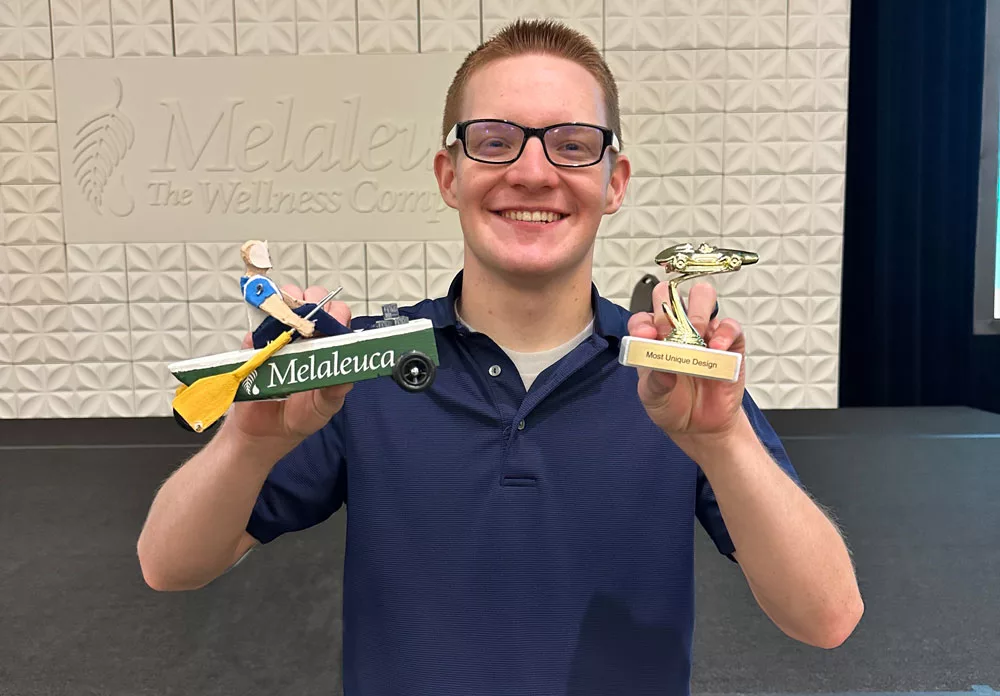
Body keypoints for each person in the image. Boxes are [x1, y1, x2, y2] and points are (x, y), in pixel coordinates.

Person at [137, 19, 864, 696]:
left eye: (573, 143)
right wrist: (247, 441)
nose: (533, 171)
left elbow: (826, 617)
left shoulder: (672, 380)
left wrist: (722, 441)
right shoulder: (368, 370)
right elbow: (168, 565)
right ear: (448, 174)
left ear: (615, 182)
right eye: (493, 140)